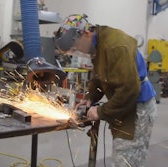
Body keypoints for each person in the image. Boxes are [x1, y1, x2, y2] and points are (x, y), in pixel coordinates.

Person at [54, 14, 157, 167]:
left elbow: (130, 89)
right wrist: (90, 97)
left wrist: (101, 112)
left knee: (126, 160)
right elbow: (100, 77)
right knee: (122, 154)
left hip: (137, 108)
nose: (78, 53)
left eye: (75, 48)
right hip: (125, 104)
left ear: (85, 33)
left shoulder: (115, 46)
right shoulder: (99, 44)